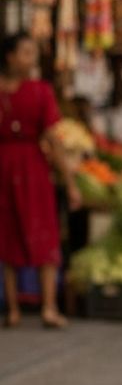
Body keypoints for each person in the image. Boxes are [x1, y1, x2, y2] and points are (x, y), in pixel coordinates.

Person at [0, 33, 81, 328]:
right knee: (7, 236)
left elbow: (53, 139)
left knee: (43, 230)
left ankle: (47, 306)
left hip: (30, 168)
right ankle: (13, 309)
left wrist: (68, 179)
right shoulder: (26, 92)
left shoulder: (41, 91)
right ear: (10, 56)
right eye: (25, 52)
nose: (31, 59)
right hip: (12, 168)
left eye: (33, 53)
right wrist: (69, 181)